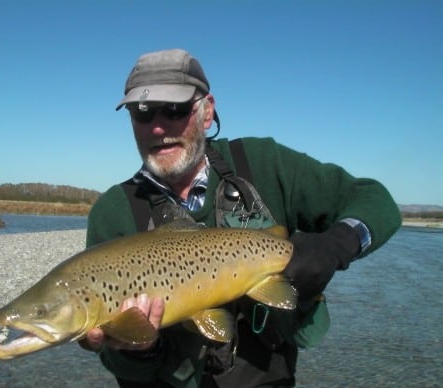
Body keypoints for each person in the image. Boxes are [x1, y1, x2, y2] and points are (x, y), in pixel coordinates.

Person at [80, 48, 401, 387]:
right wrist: (139, 349)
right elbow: (118, 364)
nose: (158, 127)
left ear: (207, 112)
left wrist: (338, 244)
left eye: (174, 109)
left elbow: (375, 200)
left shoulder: (263, 164)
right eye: (142, 113)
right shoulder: (113, 214)